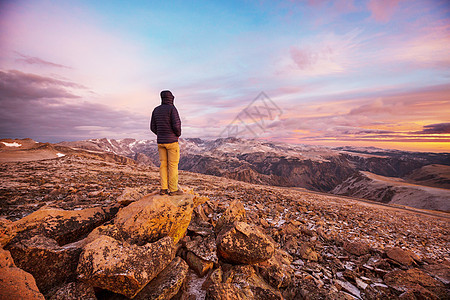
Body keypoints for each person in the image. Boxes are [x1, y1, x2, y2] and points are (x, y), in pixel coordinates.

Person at [150, 90, 183, 196]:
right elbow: (177, 125)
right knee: (173, 165)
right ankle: (173, 190)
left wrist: (160, 134)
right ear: (171, 98)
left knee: (163, 165)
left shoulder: (156, 110)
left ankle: (163, 189)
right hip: (172, 141)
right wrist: (177, 135)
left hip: (161, 142)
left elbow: (152, 127)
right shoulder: (172, 109)